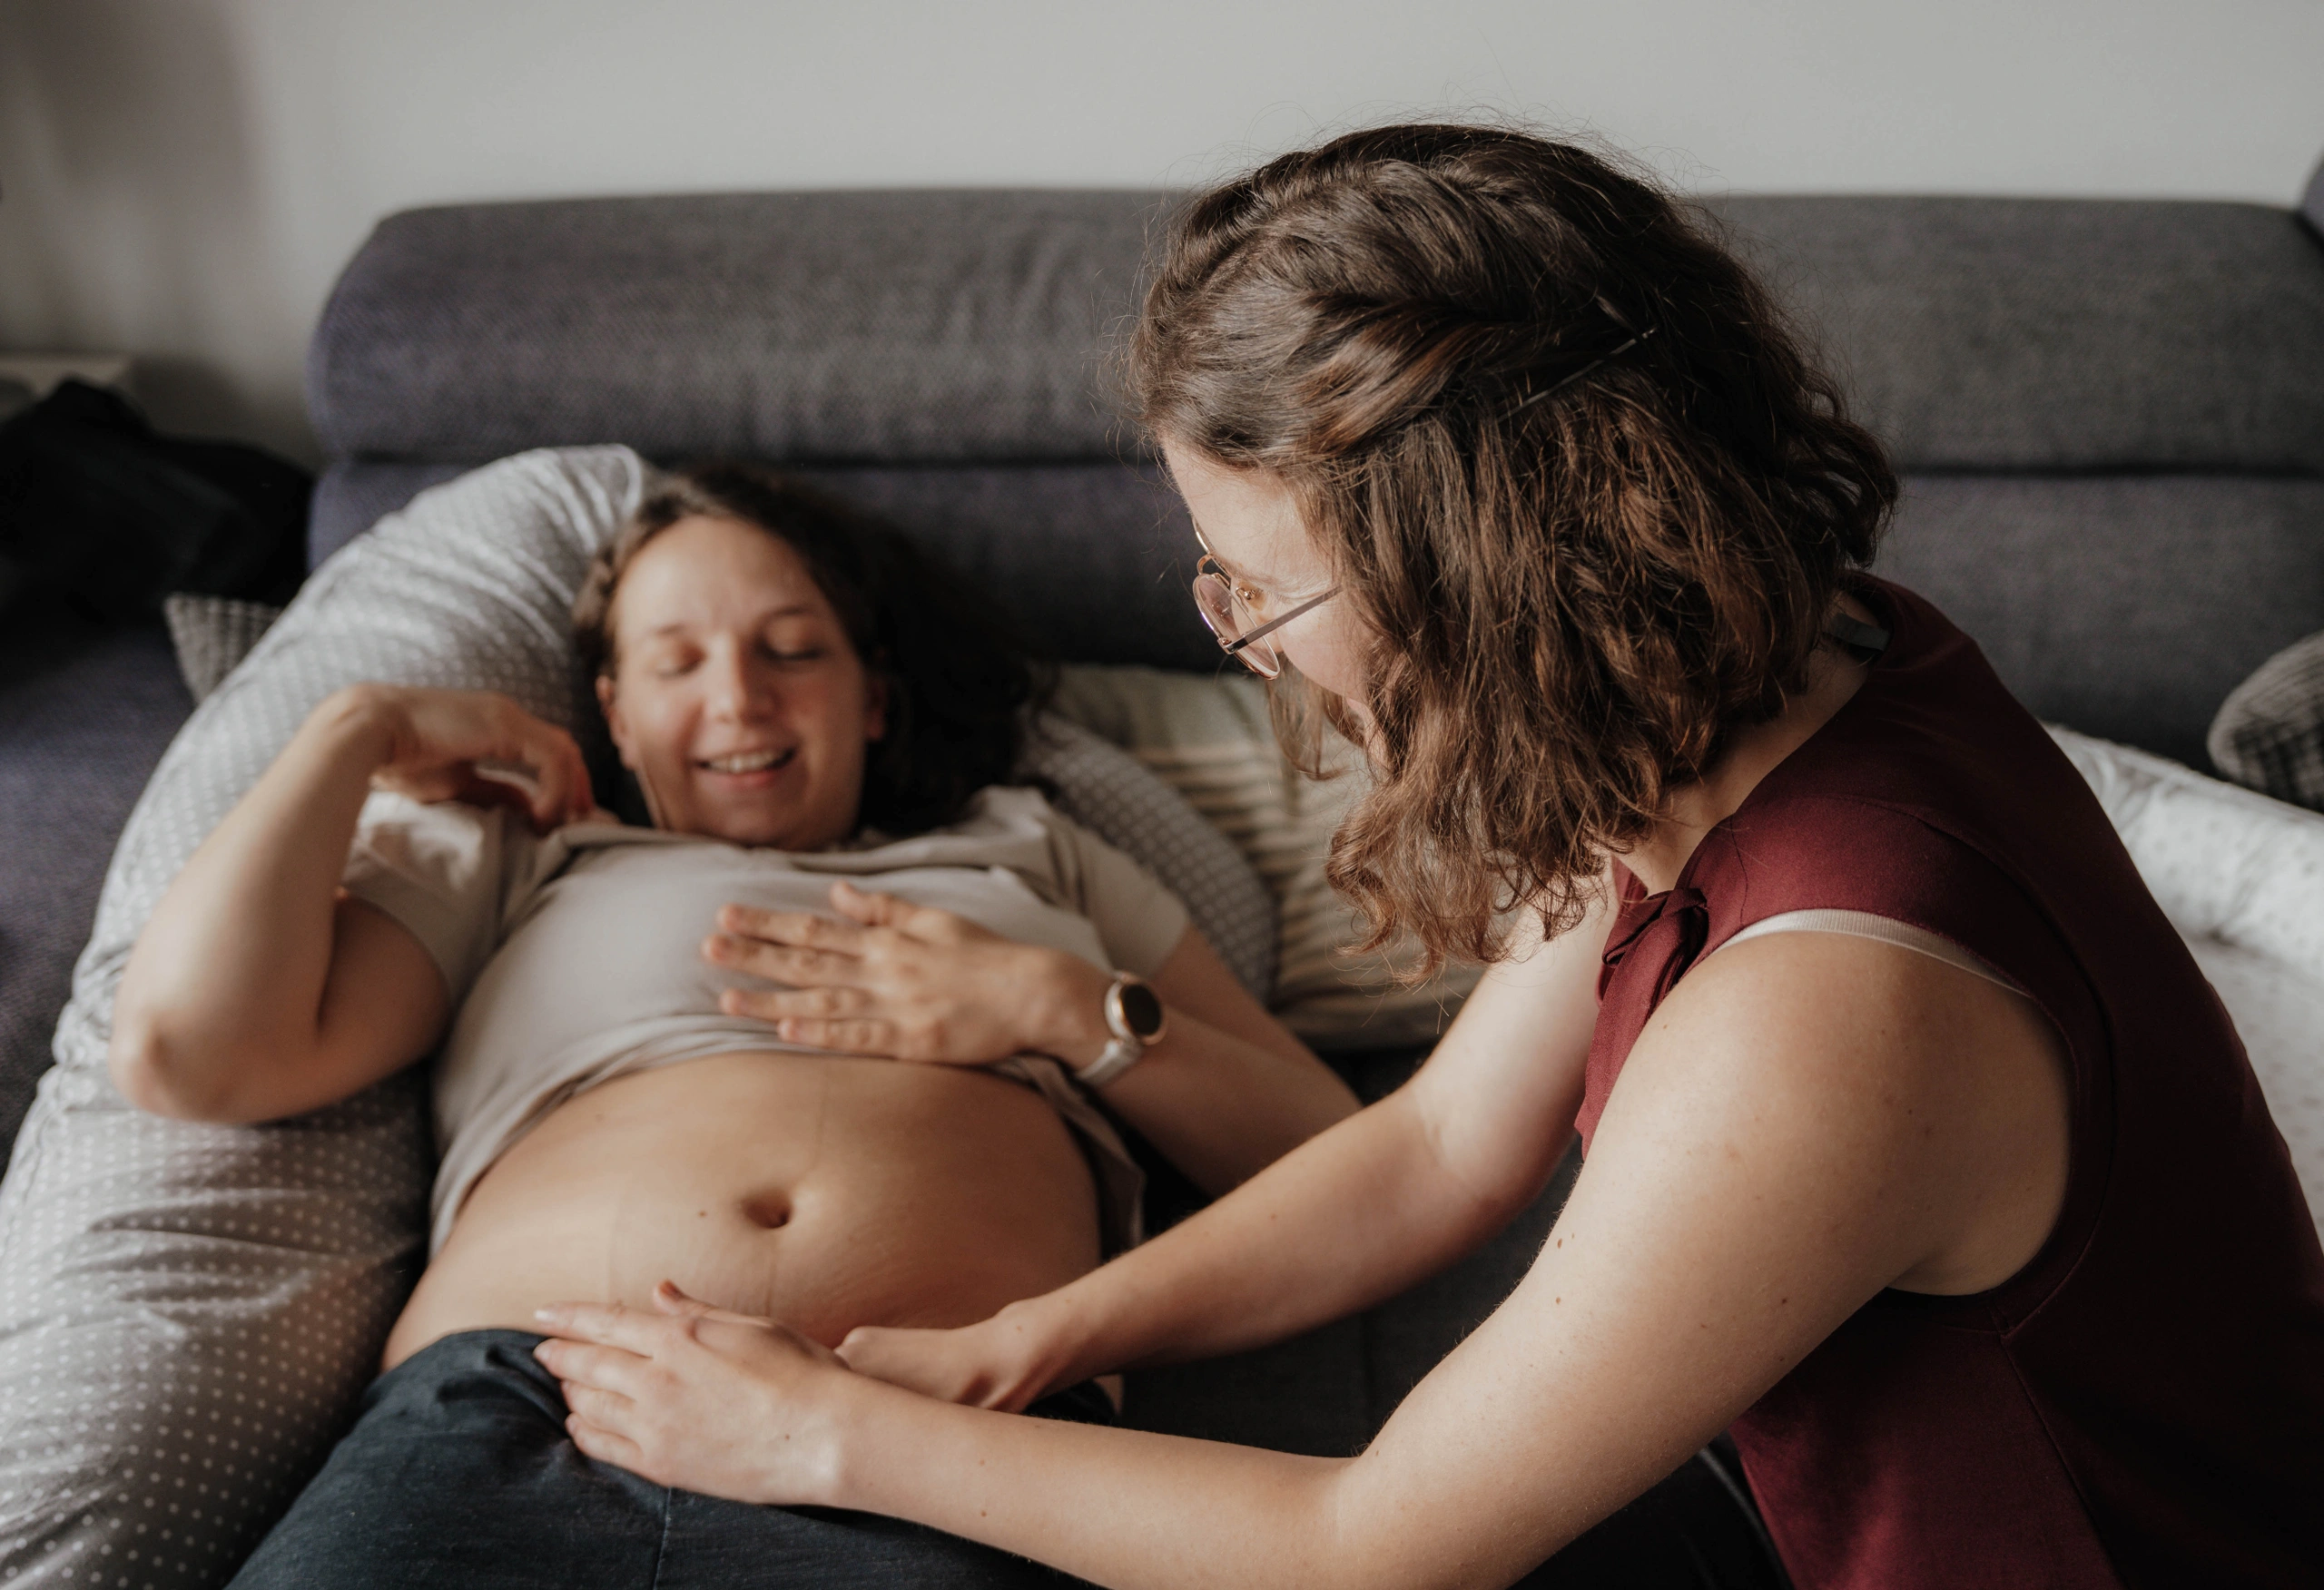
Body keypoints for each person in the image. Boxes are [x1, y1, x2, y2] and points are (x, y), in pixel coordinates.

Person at [533, 127, 2324, 1590]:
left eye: (1259, 589)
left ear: (1489, 572)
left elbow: (1373, 1549)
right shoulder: (1749, 678)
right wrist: (1024, 1342)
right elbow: (1434, 1150)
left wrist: (825, 1438)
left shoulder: (1830, 1004)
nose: (1251, 647)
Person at [108, 462, 1359, 1587]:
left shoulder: (1035, 853)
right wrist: (355, 730)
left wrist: (1063, 1009)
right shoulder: (522, 857)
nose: (740, 698)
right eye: (677, 663)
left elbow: (1347, 1168)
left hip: (950, 1439)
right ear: (615, 713)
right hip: (520, 1414)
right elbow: (186, 1051)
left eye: (793, 650)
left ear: (873, 697)